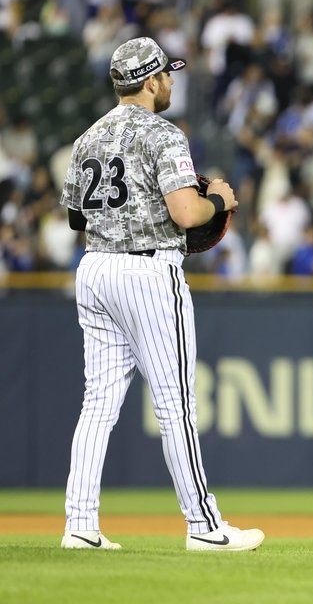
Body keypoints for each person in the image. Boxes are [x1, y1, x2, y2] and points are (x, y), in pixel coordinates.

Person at [60, 37, 263, 551]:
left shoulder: (87, 137)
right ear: (150, 82)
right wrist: (218, 200)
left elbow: (75, 218)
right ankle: (204, 526)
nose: (171, 81)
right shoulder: (163, 133)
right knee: (176, 405)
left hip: (95, 268)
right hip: (147, 273)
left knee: (97, 404)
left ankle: (79, 525)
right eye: (167, 74)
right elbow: (187, 214)